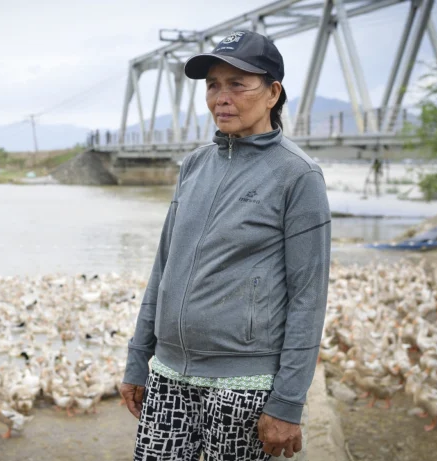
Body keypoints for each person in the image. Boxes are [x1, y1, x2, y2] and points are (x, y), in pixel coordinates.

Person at [120, 30, 331, 460]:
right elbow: (163, 268)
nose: (222, 97)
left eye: (238, 84)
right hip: (168, 376)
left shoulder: (298, 176)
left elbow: (309, 298)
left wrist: (288, 403)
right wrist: (138, 358)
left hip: (244, 386)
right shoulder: (194, 165)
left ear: (273, 93)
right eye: (213, 85)